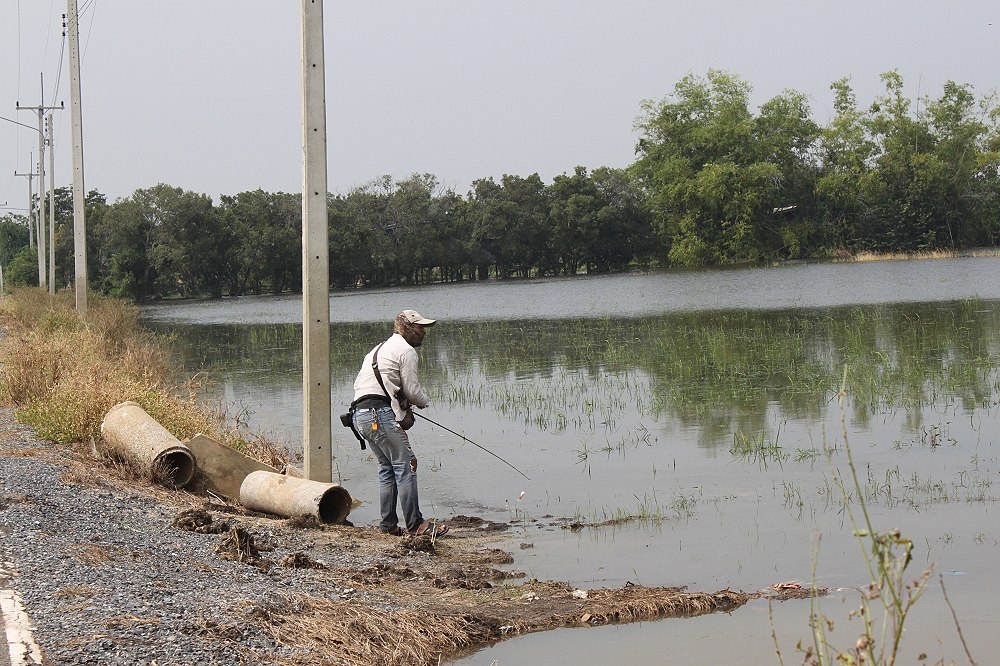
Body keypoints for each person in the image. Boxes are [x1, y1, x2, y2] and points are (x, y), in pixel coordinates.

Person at [350, 309, 448, 537]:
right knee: (407, 465)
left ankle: (388, 526)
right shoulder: (406, 351)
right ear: (406, 328)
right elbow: (413, 392)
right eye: (420, 327)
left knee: (387, 469)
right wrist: (424, 403)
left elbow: (367, 385)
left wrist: (397, 403)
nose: (424, 332)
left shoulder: (377, 349)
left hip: (360, 416)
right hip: (378, 415)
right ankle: (417, 525)